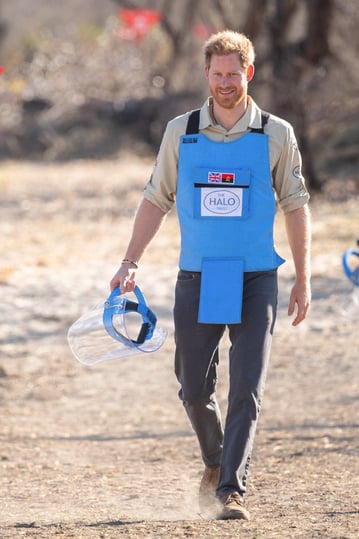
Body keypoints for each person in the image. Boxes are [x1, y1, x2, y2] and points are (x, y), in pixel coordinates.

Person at [109, 30, 311, 521]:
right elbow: (157, 198)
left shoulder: (276, 133)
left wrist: (303, 278)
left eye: (233, 74)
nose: (225, 83)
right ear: (206, 74)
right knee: (194, 387)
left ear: (249, 73)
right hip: (199, 277)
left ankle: (231, 490)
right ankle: (217, 459)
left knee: (247, 386)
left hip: (257, 277)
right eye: (217, 74)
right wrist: (129, 261)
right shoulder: (183, 131)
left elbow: (296, 205)